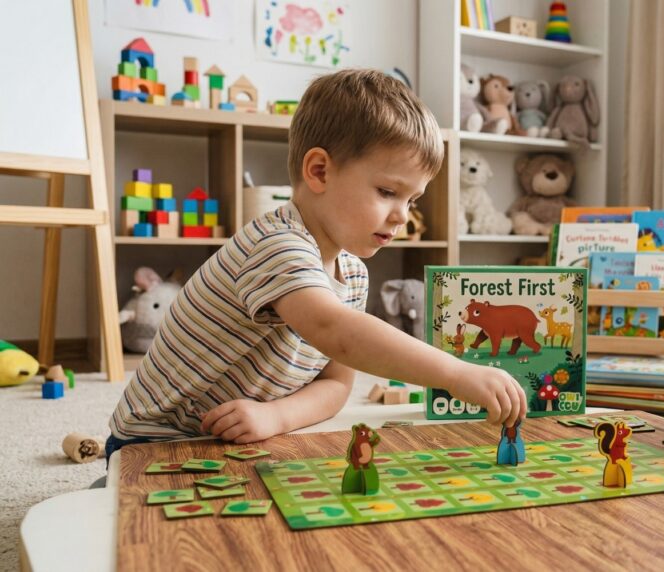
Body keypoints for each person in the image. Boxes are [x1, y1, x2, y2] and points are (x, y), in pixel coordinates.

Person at [106, 69, 527, 459]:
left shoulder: (354, 273)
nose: (402, 215)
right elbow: (335, 331)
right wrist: (454, 373)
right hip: (154, 441)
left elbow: (337, 385)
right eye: (387, 192)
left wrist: (276, 417)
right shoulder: (276, 244)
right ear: (320, 171)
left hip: (234, 436)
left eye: (412, 200)